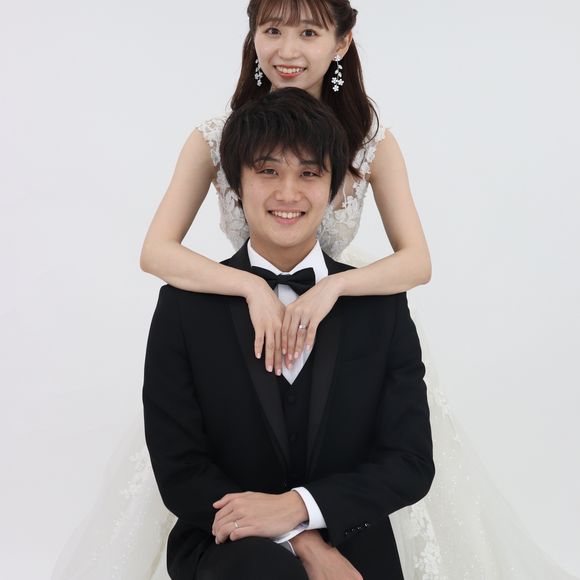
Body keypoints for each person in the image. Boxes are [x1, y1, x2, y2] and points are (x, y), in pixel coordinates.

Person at [51, 1, 578, 578]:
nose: (288, 50)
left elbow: (417, 262)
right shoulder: (217, 140)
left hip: (344, 311)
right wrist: (250, 288)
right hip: (230, 335)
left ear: (343, 41)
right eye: (272, 29)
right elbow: (156, 251)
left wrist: (335, 289)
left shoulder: (370, 146)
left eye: (309, 31)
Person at [143, 86, 435, 580]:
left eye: (309, 173)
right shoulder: (184, 307)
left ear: (337, 188)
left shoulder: (379, 307)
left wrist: (302, 509)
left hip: (351, 535)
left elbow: (409, 462)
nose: (287, 193)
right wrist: (299, 539)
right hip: (223, 539)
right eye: (268, 171)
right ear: (235, 184)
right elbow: (180, 469)